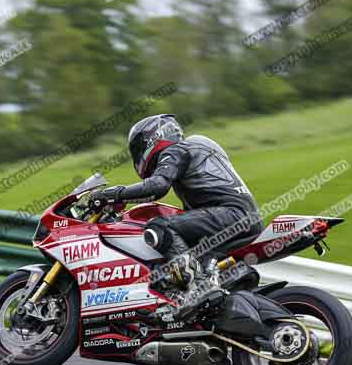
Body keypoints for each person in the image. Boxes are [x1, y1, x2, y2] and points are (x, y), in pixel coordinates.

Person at [90, 114, 262, 317]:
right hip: (239, 218)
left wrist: (114, 194)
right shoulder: (196, 149)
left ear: (153, 138)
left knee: (160, 227)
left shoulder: (176, 150)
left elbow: (157, 186)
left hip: (232, 215)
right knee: (182, 242)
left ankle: (199, 289)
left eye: (138, 149)